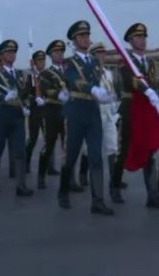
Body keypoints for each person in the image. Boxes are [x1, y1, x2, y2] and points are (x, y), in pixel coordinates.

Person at [57, 20, 114, 216]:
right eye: (81, 36)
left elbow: (98, 84)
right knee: (71, 156)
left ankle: (97, 200)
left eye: (87, 35)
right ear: (74, 41)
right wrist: (93, 89)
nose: (86, 39)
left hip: (92, 111)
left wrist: (105, 95)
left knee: (96, 156)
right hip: (76, 112)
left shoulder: (95, 62)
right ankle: (63, 191)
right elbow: (75, 81)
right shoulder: (69, 63)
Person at [116, 22, 159, 208]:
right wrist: (146, 89)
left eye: (144, 37)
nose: (142, 40)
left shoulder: (151, 62)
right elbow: (131, 82)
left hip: (146, 109)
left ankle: (152, 195)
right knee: (124, 149)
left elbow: (155, 84)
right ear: (130, 41)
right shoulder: (125, 61)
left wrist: (157, 99)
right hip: (130, 107)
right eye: (138, 37)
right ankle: (115, 186)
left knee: (149, 150)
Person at [0, 39, 34, 196]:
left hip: (18, 116)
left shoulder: (21, 74)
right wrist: (5, 97)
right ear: (1, 56)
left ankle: (21, 185)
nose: (12, 55)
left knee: (20, 151)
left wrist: (27, 105)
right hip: (3, 115)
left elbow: (26, 93)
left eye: (14, 52)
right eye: (8, 52)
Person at [90, 42, 122, 205]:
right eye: (99, 54)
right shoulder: (88, 72)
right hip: (95, 113)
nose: (102, 57)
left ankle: (114, 187)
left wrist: (116, 109)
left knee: (113, 149)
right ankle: (87, 179)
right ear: (93, 56)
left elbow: (113, 92)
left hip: (109, 113)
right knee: (91, 151)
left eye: (103, 54)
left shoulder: (108, 74)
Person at [36, 40, 67, 190]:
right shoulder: (46, 73)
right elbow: (48, 91)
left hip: (66, 111)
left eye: (61, 52)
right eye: (56, 52)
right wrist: (61, 93)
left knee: (67, 146)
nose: (59, 54)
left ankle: (70, 179)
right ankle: (41, 176)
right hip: (52, 111)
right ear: (50, 55)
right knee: (49, 145)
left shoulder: (68, 71)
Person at [24, 50, 47, 177]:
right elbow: (26, 93)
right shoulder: (30, 76)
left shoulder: (48, 75)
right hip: (35, 111)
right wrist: (34, 99)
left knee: (48, 139)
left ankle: (48, 166)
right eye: (39, 61)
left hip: (46, 111)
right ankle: (26, 162)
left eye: (43, 60)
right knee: (33, 139)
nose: (42, 63)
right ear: (34, 62)